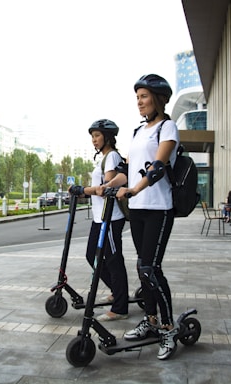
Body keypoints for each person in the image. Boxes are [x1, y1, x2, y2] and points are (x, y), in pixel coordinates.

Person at [99, 74, 180, 359]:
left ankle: (168, 327)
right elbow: (127, 170)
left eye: (144, 97)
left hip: (159, 208)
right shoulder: (137, 131)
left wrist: (134, 189)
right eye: (137, 98)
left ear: (158, 99)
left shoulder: (167, 127)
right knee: (141, 268)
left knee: (151, 269)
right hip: (139, 210)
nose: (139, 102)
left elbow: (157, 167)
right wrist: (109, 186)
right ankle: (151, 319)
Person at [69, 119, 129, 321]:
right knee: (91, 255)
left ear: (108, 137)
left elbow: (105, 190)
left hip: (110, 218)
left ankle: (120, 307)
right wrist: (83, 192)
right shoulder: (104, 158)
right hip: (100, 218)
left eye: (97, 136)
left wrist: (83, 190)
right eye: (92, 136)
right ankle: (116, 289)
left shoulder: (111, 157)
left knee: (113, 259)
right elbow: (97, 190)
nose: (94, 140)